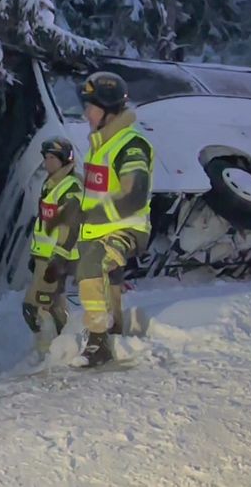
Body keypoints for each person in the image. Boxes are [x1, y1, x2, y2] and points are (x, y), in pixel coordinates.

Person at [74, 71, 154, 368]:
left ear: (107, 109)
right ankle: (115, 330)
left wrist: (93, 214)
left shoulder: (131, 145)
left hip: (126, 228)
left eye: (90, 107)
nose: (86, 114)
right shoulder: (101, 145)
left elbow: (134, 195)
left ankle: (98, 342)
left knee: (92, 266)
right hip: (98, 229)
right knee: (108, 279)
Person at [23, 137, 83, 356]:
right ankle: (63, 347)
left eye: (52, 158)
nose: (47, 162)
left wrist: (57, 260)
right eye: (46, 157)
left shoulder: (70, 187)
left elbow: (71, 227)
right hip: (44, 257)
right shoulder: (51, 183)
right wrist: (36, 255)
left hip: (56, 259)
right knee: (53, 303)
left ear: (64, 160)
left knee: (34, 307)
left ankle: (49, 351)